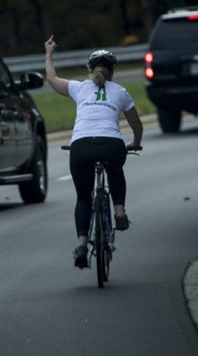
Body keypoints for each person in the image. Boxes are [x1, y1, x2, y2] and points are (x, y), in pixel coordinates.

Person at [44, 35, 144, 269]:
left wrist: (49, 53)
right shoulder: (120, 91)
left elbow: (51, 79)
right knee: (116, 170)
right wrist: (135, 142)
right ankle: (119, 212)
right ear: (112, 71)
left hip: (81, 146)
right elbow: (136, 125)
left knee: (83, 197)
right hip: (111, 145)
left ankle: (81, 245)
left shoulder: (79, 88)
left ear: (90, 69)